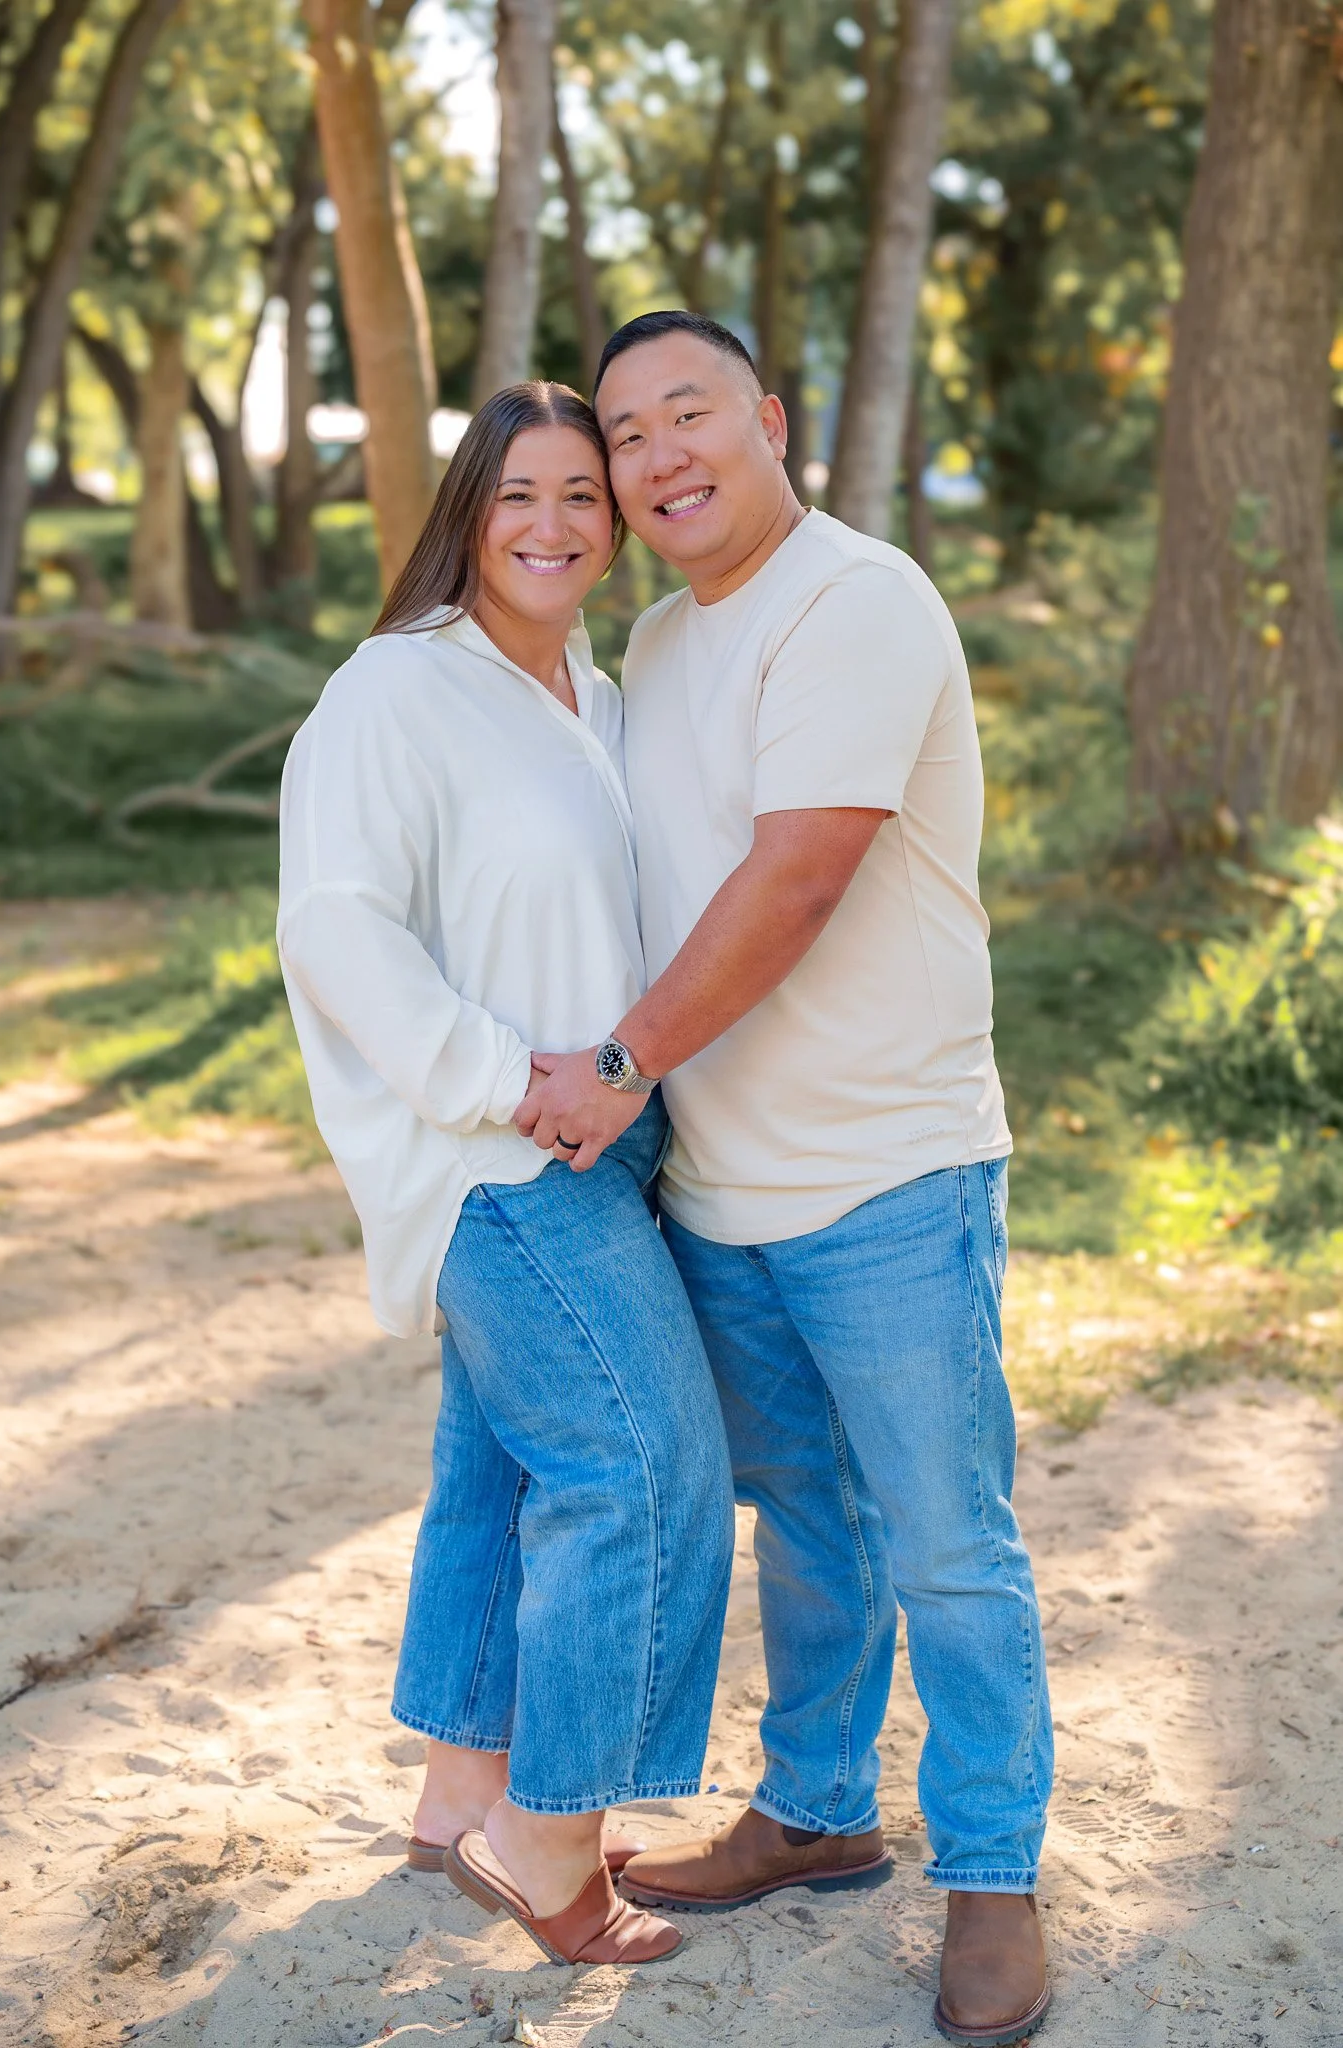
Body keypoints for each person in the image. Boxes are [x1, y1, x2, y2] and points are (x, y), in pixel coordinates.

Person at [517, 312, 1054, 2046]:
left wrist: (615, 1068)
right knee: (810, 1527)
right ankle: (818, 1811)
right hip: (721, 1187)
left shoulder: (861, 598)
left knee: (949, 1545)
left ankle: (993, 1875)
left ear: (768, 420)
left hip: (891, 1171)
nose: (662, 455)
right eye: (629, 434)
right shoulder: (659, 640)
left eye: (694, 414)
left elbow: (799, 879)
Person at [276, 380, 734, 1970]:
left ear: (613, 525)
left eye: (580, 497)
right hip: (497, 1161)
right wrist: (503, 1081)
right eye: (516, 492)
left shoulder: (587, 700)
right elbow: (336, 925)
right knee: (647, 1472)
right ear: (468, 510)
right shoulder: (396, 691)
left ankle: (457, 1787)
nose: (550, 524)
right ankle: (551, 1847)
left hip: (610, 1147)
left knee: (510, 1467)